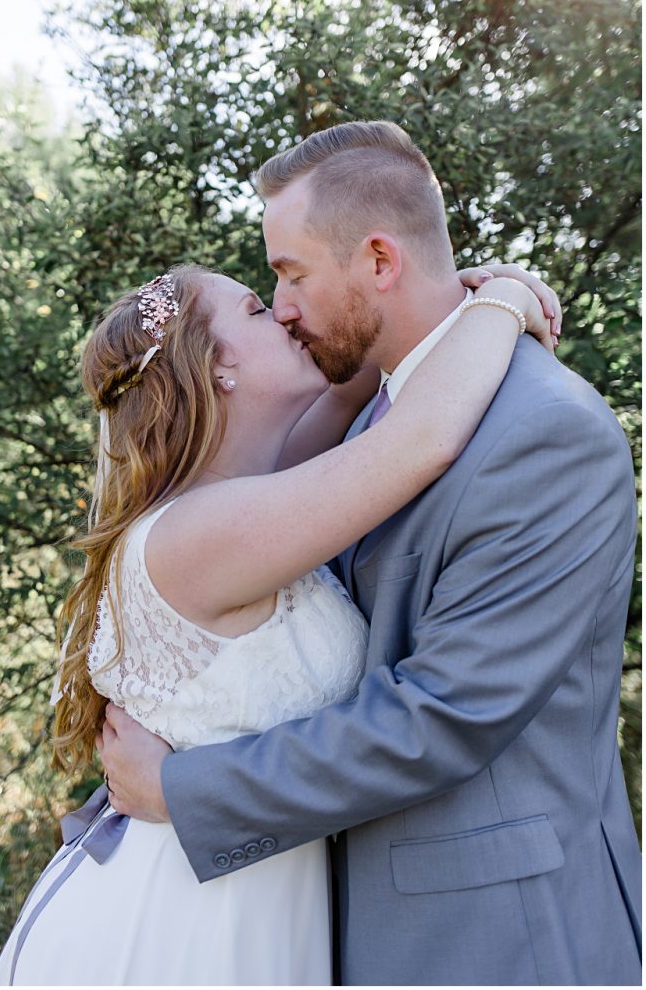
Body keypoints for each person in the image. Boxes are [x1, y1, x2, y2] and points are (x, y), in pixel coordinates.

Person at [95, 122, 641, 985]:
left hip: (495, 935)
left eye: (290, 273)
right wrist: (495, 299)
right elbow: (411, 439)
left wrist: (187, 790)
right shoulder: (359, 422)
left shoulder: (545, 433)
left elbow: (443, 716)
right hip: (270, 919)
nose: (280, 305)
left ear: (380, 261)